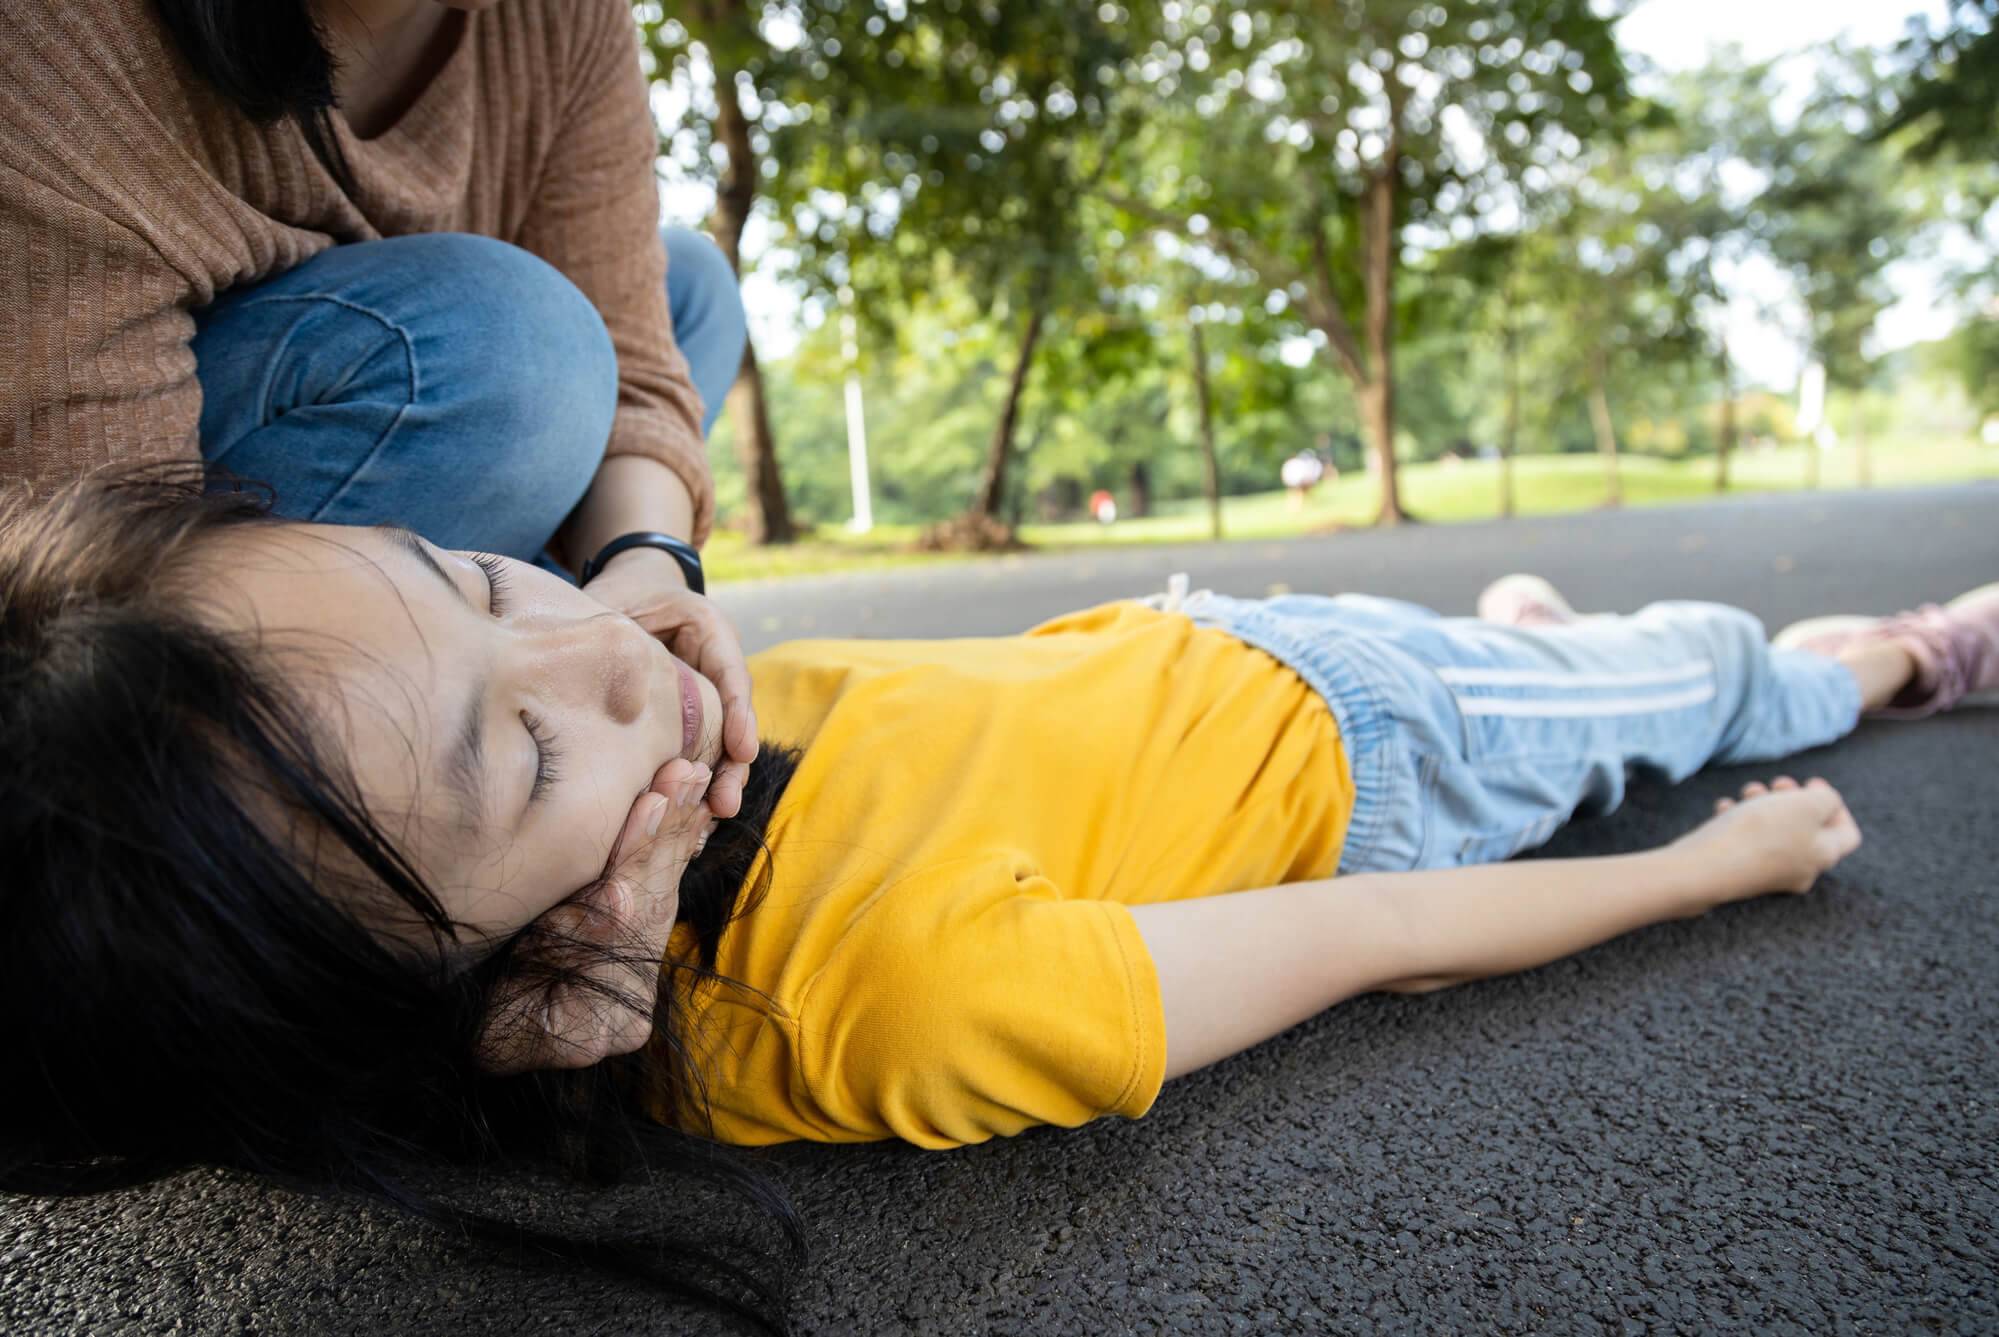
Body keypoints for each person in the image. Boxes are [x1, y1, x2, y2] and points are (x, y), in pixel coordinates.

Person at [5, 475, 1995, 1320]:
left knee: (1606, 664)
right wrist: (1705, 870)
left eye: (482, 572)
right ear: (509, 1003)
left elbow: (630, 656)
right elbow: (1369, 932)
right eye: (518, 756)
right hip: (1392, 742)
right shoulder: (893, 999)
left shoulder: (657, 753)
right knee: (1718, 673)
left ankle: (1566, 639)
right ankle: (1903, 655)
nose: (603, 653)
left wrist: (567, 664)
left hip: (1204, 639)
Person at [0, 0, 762, 820]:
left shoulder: (568, 20)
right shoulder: (59, 33)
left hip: (452, 412)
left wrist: (648, 564)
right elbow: (95, 589)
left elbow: (641, 364)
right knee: (523, 346)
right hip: (170, 501)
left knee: (693, 282)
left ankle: (519, 621)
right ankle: (480, 685)